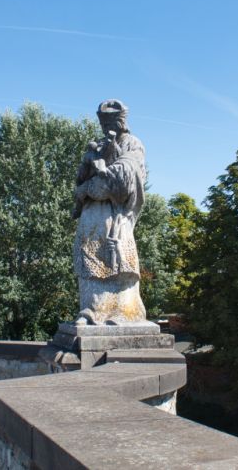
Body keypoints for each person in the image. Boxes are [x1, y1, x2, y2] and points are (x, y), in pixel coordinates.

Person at [72, 99, 147, 325]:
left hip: (116, 215)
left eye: (111, 123)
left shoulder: (132, 143)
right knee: (90, 261)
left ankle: (124, 312)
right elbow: (81, 182)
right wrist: (87, 171)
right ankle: (91, 309)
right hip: (92, 216)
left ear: (121, 122)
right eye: (104, 124)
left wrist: (103, 175)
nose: (107, 129)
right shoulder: (98, 145)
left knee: (118, 262)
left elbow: (129, 172)